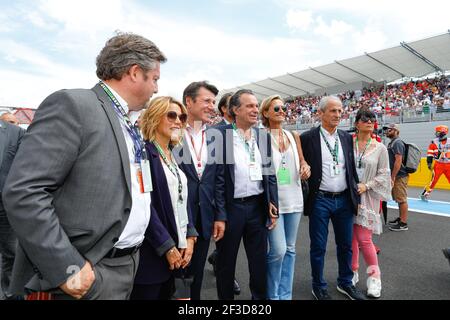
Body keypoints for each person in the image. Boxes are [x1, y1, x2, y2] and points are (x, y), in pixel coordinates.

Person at [2, 32, 166, 300]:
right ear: (135, 72)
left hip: (128, 263)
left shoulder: (128, 120)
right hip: (86, 269)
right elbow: (24, 191)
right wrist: (66, 268)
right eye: (155, 79)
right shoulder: (75, 106)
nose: (157, 88)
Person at [131, 96, 198, 300]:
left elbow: (182, 198)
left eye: (182, 116)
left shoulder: (174, 155)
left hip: (178, 250)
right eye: (171, 115)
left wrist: (190, 236)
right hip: (153, 255)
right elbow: (145, 207)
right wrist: (166, 245)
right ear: (154, 117)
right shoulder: (142, 154)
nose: (178, 120)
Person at [300, 96, 366, 300]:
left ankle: (345, 282)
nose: (338, 115)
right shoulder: (307, 138)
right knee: (318, 246)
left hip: (344, 199)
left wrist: (355, 194)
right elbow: (301, 165)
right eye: (333, 111)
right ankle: (318, 285)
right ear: (320, 113)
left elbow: (350, 169)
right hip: (320, 199)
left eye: (340, 111)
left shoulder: (346, 137)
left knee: (346, 244)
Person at [215, 89, 278, 300]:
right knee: (226, 263)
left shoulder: (262, 136)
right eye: (249, 105)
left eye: (256, 105)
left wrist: (272, 203)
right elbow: (219, 181)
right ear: (235, 109)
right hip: (231, 209)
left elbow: (270, 175)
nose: (255, 109)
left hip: (257, 208)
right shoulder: (221, 136)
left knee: (258, 263)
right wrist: (220, 214)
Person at [171, 81, 227, 300]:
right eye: (207, 101)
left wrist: (220, 215)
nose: (212, 106)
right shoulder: (170, 132)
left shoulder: (216, 137)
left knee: (195, 277)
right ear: (188, 102)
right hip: (175, 220)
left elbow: (219, 180)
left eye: (214, 101)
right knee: (174, 279)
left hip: (204, 218)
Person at [259, 95, 311, 300]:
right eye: (277, 108)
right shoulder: (260, 136)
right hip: (273, 201)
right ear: (266, 113)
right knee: (278, 250)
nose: (282, 111)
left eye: (283, 108)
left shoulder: (293, 135)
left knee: (290, 249)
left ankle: (285, 295)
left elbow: (303, 161)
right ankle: (272, 295)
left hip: (295, 198)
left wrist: (306, 167)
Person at [350, 108, 391, 299]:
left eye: (372, 119)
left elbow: (384, 173)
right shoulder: (347, 143)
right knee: (350, 239)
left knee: (365, 239)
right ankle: (353, 271)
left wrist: (366, 186)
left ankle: (375, 278)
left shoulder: (380, 148)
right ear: (357, 123)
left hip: (367, 197)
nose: (370, 121)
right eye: (365, 118)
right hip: (348, 196)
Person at [207, 91, 241, 295]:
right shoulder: (217, 131)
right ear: (224, 109)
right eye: (232, 104)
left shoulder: (247, 131)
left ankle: (218, 259)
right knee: (227, 247)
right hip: (223, 198)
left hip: (243, 200)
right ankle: (227, 275)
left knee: (231, 246)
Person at [0, 119, 25, 300]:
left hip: (5, 203)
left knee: (11, 252)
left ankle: (11, 293)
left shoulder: (15, 133)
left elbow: (24, 165)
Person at [385, 123, 410, 231]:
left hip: (400, 175)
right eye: (386, 130)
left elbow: (398, 161)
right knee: (399, 199)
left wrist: (393, 176)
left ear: (396, 131)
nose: (387, 131)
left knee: (402, 199)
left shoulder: (397, 142)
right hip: (397, 175)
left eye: (390, 130)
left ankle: (403, 223)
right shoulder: (393, 143)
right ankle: (401, 218)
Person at [420, 125, 450, 201]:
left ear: (443, 133)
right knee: (433, 181)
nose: (436, 133)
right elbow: (430, 153)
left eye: (438, 132)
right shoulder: (434, 142)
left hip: (449, 165)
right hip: (438, 165)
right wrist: (429, 163)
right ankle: (425, 194)